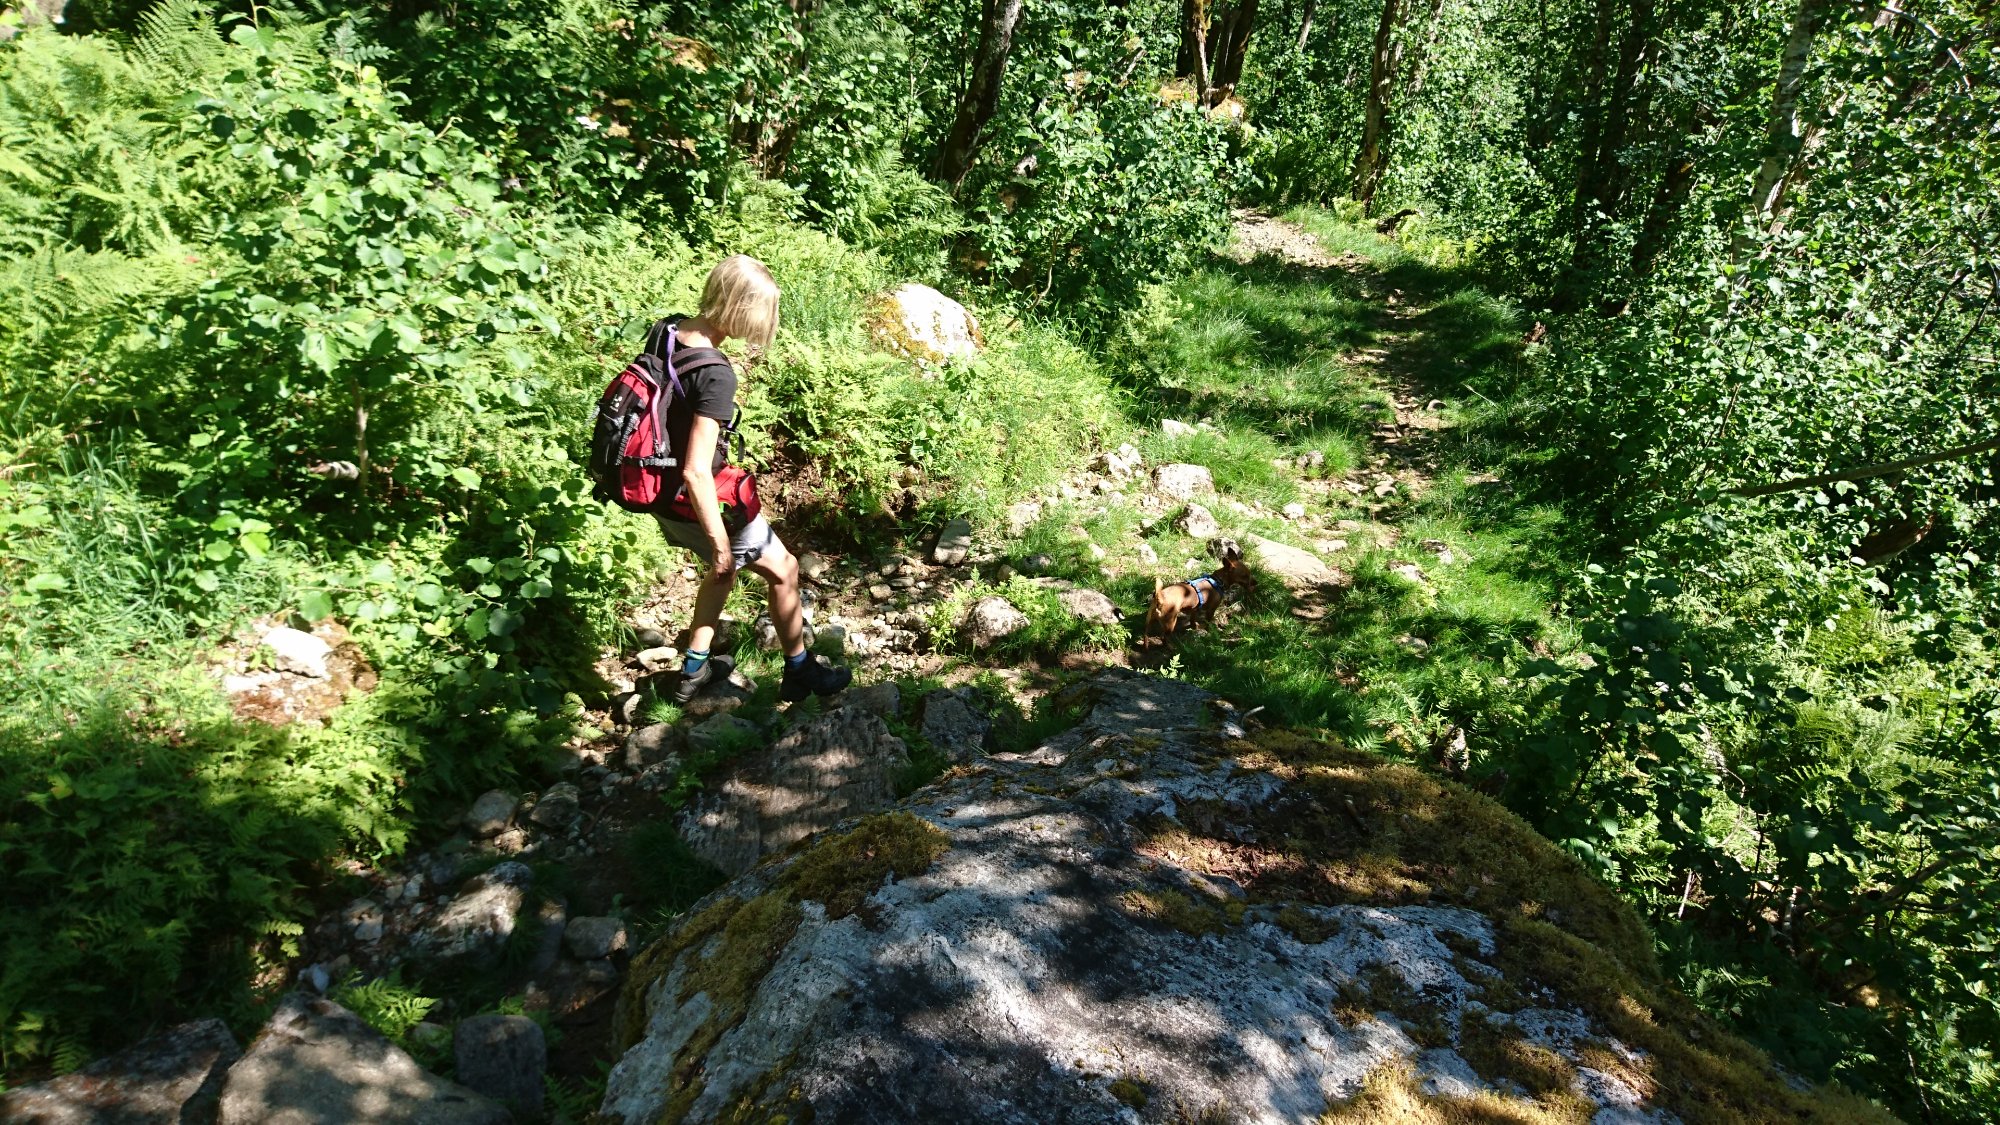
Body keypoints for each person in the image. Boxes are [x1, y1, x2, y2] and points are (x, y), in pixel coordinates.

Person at [655, 255, 851, 704]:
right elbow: (696, 469)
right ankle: (798, 670)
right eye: (761, 310)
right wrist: (720, 542)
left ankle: (694, 670)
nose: (763, 322)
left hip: (656, 488)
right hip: (694, 494)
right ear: (740, 305)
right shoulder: (715, 374)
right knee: (781, 568)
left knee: (724, 571)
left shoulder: (668, 330)